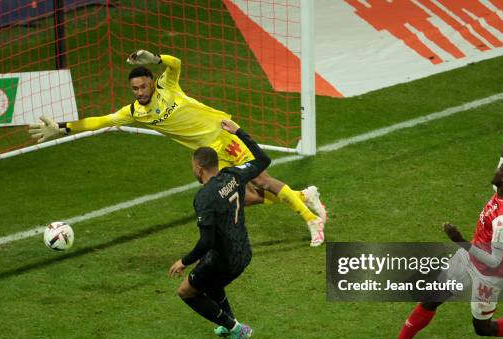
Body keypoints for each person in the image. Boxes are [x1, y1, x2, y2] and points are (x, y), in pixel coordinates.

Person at [29, 50, 327, 246]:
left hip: (223, 136)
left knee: (261, 179)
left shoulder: (166, 87)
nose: (141, 92)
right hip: (210, 155)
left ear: (151, 83)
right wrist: (63, 128)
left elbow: (176, 64)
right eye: (135, 89)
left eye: (144, 86)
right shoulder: (135, 112)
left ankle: (311, 219)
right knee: (241, 198)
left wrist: (156, 57)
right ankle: (303, 196)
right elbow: (100, 120)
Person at [366, 128, 503, 339]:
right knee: (431, 298)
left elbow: (494, 261)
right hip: (468, 258)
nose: (497, 170)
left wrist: (459, 240)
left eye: (501, 170)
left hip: (488, 273)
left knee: (483, 328)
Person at [168, 119, 269, 339]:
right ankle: (226, 323)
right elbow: (264, 160)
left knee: (186, 292)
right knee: (212, 284)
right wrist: (239, 132)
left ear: (199, 168)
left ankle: (236, 328)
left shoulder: (204, 198)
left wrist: (183, 261)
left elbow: (206, 242)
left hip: (222, 259)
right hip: (243, 252)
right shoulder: (233, 175)